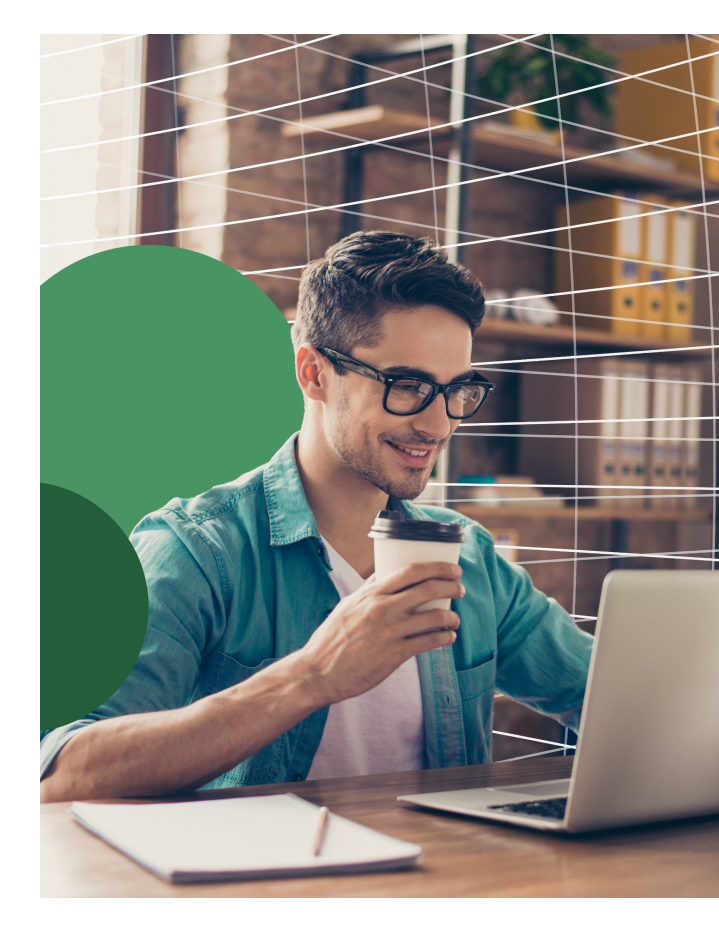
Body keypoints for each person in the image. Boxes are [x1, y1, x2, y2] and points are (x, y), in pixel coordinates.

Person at [39, 232, 594, 802]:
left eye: (457, 391)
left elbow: (609, 698)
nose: (438, 424)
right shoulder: (197, 552)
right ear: (314, 374)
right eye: (408, 387)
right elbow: (64, 774)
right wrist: (311, 675)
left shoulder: (471, 559)